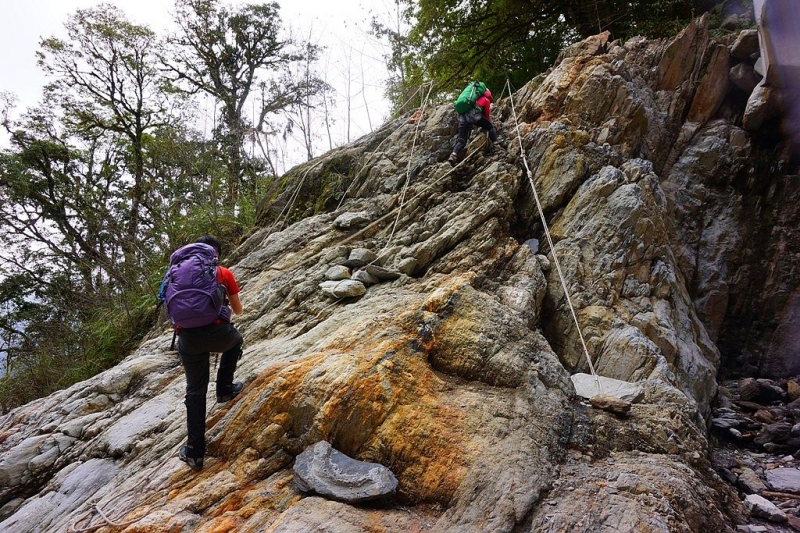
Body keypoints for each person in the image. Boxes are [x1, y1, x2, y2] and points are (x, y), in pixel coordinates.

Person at [175, 235, 244, 471]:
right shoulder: (222, 272)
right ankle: (224, 389)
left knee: (195, 391)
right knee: (235, 341)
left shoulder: (175, 273)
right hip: (218, 334)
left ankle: (195, 453)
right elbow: (238, 309)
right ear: (216, 254)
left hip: (188, 339)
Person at [449, 83, 499, 165]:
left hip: (462, 117)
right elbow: (486, 115)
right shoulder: (485, 100)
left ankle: (453, 154)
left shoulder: (469, 99)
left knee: (461, 140)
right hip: (474, 115)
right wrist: (486, 123)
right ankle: (497, 145)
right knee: (490, 127)